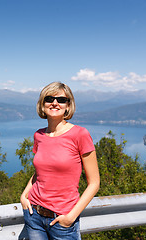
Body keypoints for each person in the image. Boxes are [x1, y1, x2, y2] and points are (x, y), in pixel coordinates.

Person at [20, 82, 100, 239]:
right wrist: (24, 196)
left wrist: (70, 217)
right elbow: (40, 173)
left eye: (61, 100)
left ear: (68, 106)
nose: (55, 103)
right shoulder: (39, 135)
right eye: (49, 98)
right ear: (42, 104)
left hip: (62, 219)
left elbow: (94, 183)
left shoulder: (80, 134)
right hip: (34, 215)